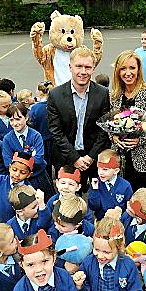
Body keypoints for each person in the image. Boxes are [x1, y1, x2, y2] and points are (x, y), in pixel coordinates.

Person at [47, 47, 111, 192]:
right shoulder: (55, 95)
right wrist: (74, 157)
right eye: (79, 66)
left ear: (93, 68)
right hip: (66, 157)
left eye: (87, 67)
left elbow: (104, 129)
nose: (83, 72)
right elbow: (55, 131)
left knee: (98, 198)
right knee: (69, 202)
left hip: (94, 158)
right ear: (70, 67)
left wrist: (91, 157)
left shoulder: (102, 94)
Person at [73, 216, 143, 291]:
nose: (100, 256)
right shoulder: (88, 262)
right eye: (96, 249)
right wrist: (79, 286)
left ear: (119, 247)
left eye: (106, 252)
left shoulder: (128, 265)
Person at [110, 50, 146, 191]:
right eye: (123, 68)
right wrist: (114, 136)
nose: (128, 73)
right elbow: (110, 124)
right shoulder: (114, 95)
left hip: (141, 158)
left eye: (132, 68)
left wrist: (140, 140)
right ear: (117, 71)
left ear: (139, 69)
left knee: (137, 197)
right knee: (119, 195)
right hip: (118, 156)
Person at [2, 102, 54, 201]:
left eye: (18, 119)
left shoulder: (36, 135)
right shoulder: (7, 139)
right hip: (19, 180)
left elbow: (39, 160)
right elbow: (7, 162)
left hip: (38, 177)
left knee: (46, 203)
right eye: (11, 120)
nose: (15, 123)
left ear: (26, 117)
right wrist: (30, 157)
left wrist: (17, 159)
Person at [88, 149, 133, 220]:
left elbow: (129, 208)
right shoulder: (96, 183)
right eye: (99, 169)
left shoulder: (125, 186)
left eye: (105, 169)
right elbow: (93, 207)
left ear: (116, 171)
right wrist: (95, 190)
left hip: (120, 222)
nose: (100, 173)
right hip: (101, 222)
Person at [29, 80, 54, 179]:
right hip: (54, 139)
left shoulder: (35, 108)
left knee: (45, 163)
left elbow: (32, 124)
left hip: (41, 140)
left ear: (40, 92)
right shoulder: (55, 105)